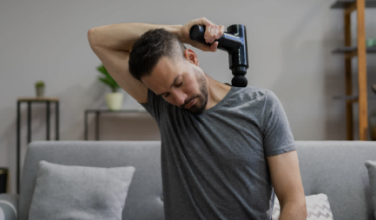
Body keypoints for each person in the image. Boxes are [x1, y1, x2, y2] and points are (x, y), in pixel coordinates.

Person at [88, 17, 306, 220]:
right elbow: (97, 39)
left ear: (192, 57)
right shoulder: (164, 108)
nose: (179, 99)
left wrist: (182, 37)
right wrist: (180, 33)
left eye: (179, 82)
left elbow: (294, 201)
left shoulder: (262, 105)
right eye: (165, 94)